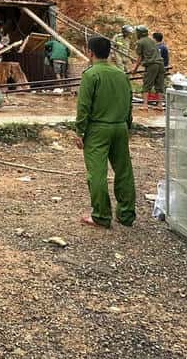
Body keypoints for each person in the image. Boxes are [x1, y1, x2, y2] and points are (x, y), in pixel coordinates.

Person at [75, 36, 136, 229]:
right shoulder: (121, 74)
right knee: (124, 171)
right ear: (109, 52)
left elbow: (84, 106)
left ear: (90, 52)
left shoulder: (90, 75)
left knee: (97, 173)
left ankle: (101, 215)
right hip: (120, 126)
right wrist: (128, 125)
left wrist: (80, 131)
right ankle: (126, 215)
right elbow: (129, 102)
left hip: (98, 129)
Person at [131, 26, 164, 109]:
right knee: (159, 85)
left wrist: (134, 70)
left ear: (138, 33)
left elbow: (139, 58)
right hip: (160, 64)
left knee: (147, 84)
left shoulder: (140, 42)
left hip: (152, 65)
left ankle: (145, 105)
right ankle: (160, 105)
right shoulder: (152, 41)